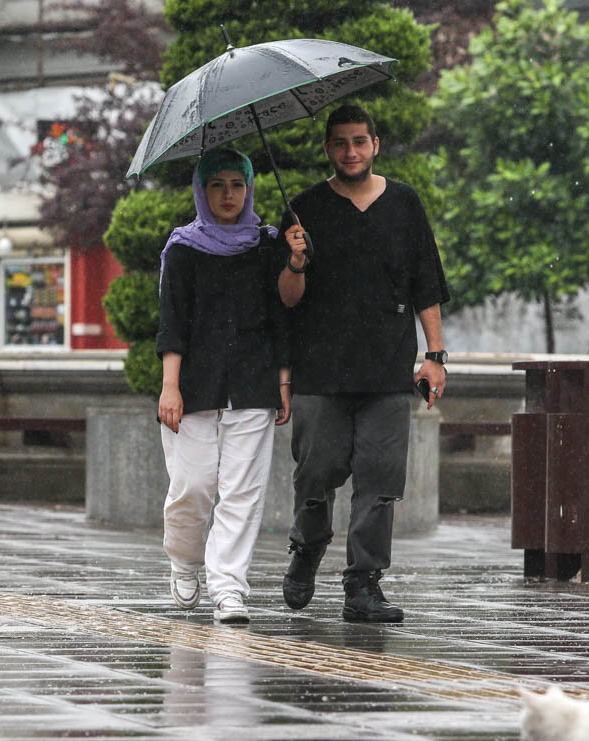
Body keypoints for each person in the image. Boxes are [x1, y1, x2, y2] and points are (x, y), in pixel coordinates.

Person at [276, 104, 450, 623]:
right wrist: (296, 259)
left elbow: (426, 286)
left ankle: (363, 584)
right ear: (327, 149)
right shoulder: (303, 209)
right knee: (315, 476)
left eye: (359, 141)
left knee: (379, 480)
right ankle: (306, 552)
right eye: (339, 142)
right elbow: (286, 299)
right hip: (320, 372)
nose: (350, 151)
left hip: (387, 372)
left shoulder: (404, 204)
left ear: (376, 145)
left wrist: (435, 356)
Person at [156, 147, 291, 625]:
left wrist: (282, 381)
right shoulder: (184, 248)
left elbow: (282, 317)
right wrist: (169, 386)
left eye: (237, 184)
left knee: (242, 492)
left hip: (254, 384)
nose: (229, 194)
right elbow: (172, 324)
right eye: (217, 184)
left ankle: (229, 588)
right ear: (202, 190)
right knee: (192, 487)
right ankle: (184, 558)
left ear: (250, 188)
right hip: (194, 385)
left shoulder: (270, 243)